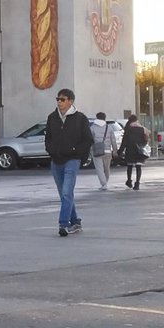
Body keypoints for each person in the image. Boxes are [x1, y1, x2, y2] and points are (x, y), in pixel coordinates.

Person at [44, 88, 93, 235]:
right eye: (57, 99)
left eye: (62, 99)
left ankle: (63, 224)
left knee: (66, 192)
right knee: (64, 194)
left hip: (72, 159)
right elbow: (48, 138)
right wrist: (51, 150)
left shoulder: (80, 118)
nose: (59, 102)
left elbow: (88, 140)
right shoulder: (52, 117)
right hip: (56, 160)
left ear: (70, 101)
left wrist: (76, 151)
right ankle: (75, 222)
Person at [121, 111, 150, 189]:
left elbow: (124, 141)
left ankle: (129, 181)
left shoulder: (128, 129)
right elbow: (146, 140)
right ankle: (137, 183)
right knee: (138, 167)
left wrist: (120, 151)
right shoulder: (142, 128)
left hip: (130, 150)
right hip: (139, 151)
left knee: (129, 166)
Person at [89, 112, 117, 190]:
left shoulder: (92, 128)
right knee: (107, 169)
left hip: (97, 151)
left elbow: (90, 140)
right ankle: (105, 183)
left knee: (100, 169)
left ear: (97, 118)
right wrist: (115, 150)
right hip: (108, 151)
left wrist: (90, 149)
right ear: (105, 118)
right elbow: (113, 140)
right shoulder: (109, 127)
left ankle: (104, 183)